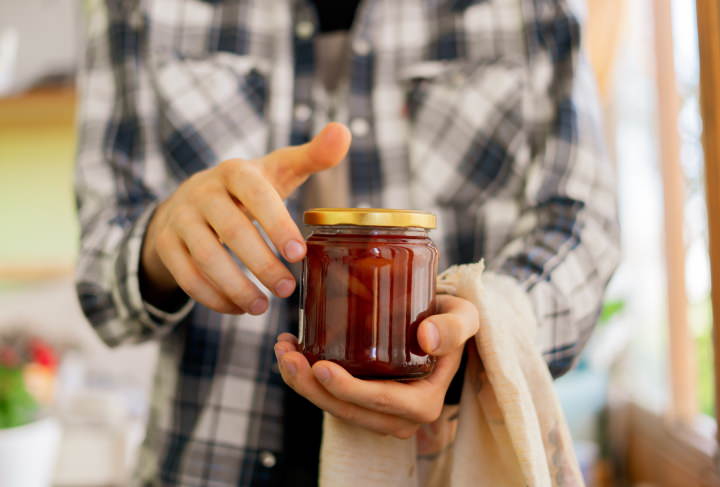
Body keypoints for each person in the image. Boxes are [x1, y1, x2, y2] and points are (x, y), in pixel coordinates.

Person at [75, 0, 619, 485]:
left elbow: (581, 225)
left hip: (452, 463)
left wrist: (481, 338)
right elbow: (102, 271)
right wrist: (164, 238)